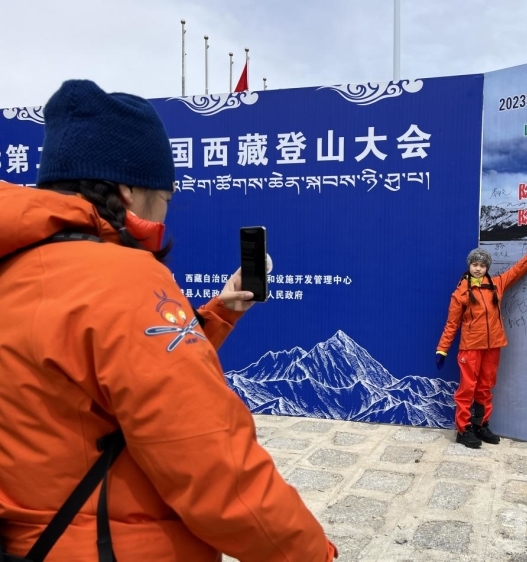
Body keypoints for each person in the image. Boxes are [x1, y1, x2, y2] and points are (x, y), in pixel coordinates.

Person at [0, 79, 337, 561]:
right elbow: (216, 470)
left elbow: (96, 374)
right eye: (166, 198)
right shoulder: (123, 279)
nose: (165, 212)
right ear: (127, 190)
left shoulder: (15, 262)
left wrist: (218, 313)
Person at [435, 233, 527, 449]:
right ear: (469, 266)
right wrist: (442, 349)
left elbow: (519, 269)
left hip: (493, 347)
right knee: (467, 389)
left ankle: (480, 425)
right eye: (475, 264)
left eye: (482, 265)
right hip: (471, 348)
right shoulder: (460, 293)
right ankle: (463, 429)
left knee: (485, 387)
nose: (478, 268)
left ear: (487, 267)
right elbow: (451, 324)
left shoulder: (497, 285)